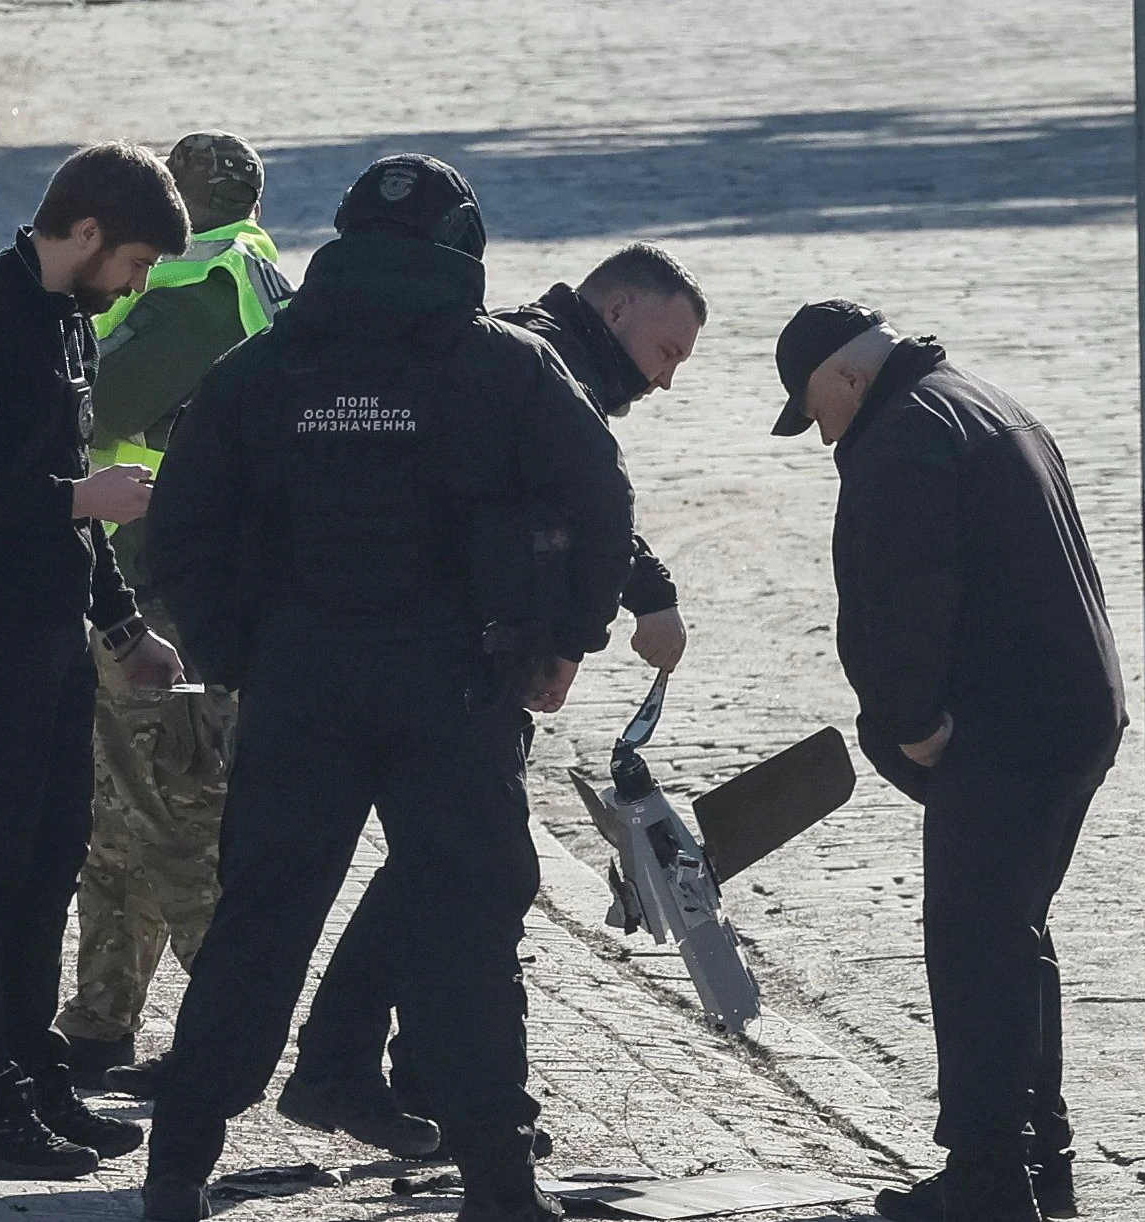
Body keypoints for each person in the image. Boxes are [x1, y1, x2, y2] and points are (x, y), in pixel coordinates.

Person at [111, 241, 708, 1151]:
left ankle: (317, 1088)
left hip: (323, 673)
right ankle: (417, 1101)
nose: (666, 382)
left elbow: (196, 511)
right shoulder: (522, 359)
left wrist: (238, 652)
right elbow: (582, 506)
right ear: (620, 310)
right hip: (451, 674)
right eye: (668, 353)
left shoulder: (461, 354)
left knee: (381, 886)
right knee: (465, 878)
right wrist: (618, 613)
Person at [769, 300, 1126, 1222]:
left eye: (817, 413)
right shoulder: (979, 403)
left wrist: (913, 721)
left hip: (1004, 728)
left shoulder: (903, 440)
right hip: (1068, 713)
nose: (822, 437)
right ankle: (1039, 1151)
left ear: (847, 379)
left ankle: (987, 1179)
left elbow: (910, 596)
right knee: (1012, 931)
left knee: (974, 945)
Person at [0, 141, 189, 1179]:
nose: (139, 285)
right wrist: (76, 499)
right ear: (88, 233)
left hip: (53, 638)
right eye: (139, 262)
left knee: (48, 865)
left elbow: (73, 503)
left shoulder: (70, 319)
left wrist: (123, 628)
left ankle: (33, 1075)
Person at [55, 131, 292, 1086]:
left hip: (169, 583)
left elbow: (105, 409)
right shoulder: (262, 271)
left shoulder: (198, 282)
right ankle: (101, 1022)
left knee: (175, 816)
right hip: (172, 575)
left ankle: (234, 1041)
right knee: (116, 822)